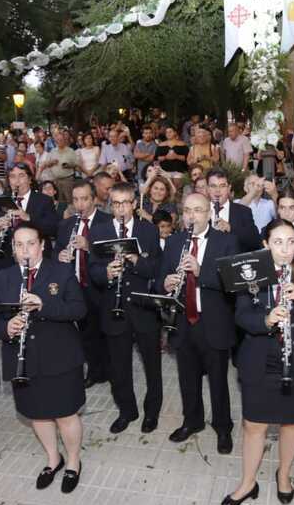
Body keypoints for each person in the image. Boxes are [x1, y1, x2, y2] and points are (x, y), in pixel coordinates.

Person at [221, 220, 294, 505]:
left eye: (291, 241)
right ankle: (248, 482)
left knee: (292, 424)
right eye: (278, 242)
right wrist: (265, 320)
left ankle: (284, 474)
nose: (285, 249)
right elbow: (241, 316)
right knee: (253, 425)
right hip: (261, 359)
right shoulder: (251, 273)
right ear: (265, 245)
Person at [0, 223, 87, 492]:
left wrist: (44, 305)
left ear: (42, 245)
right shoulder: (2, 278)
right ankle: (53, 459)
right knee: (37, 414)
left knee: (65, 414)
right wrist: (6, 328)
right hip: (23, 360)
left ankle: (73, 461)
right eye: (18, 245)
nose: (25, 250)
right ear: (12, 249)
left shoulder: (62, 272)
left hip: (60, 357)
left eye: (30, 243)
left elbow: (79, 310)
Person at [156, 193, 239, 454]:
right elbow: (160, 278)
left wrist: (202, 272)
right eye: (188, 210)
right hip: (183, 320)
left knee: (218, 379)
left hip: (213, 320)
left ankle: (223, 426)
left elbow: (233, 284)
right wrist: (166, 283)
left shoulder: (227, 242)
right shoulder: (174, 242)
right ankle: (192, 421)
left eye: (199, 210)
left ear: (209, 214)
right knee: (187, 377)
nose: (192, 215)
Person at [88, 182, 162, 434]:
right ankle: (126, 410)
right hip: (113, 307)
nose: (120, 209)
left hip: (143, 307)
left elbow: (156, 269)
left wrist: (136, 260)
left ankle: (152, 411)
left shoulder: (148, 230)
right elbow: (92, 270)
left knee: (152, 364)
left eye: (125, 203)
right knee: (118, 366)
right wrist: (106, 272)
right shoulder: (98, 231)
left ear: (134, 204)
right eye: (115, 203)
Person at [54, 180, 112, 387]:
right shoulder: (66, 224)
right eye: (76, 200)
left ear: (94, 199)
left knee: (105, 330)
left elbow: (113, 254)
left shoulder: (108, 222)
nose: (80, 204)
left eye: (85, 199)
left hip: (101, 286)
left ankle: (110, 369)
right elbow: (55, 253)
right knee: (85, 333)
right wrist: (60, 256)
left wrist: (89, 247)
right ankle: (94, 371)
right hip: (76, 286)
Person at [206, 169, 261, 251]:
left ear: (229, 188)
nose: (217, 190)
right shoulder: (200, 211)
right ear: (207, 189)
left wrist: (230, 228)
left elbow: (255, 241)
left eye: (222, 186)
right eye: (213, 186)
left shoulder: (243, 211)